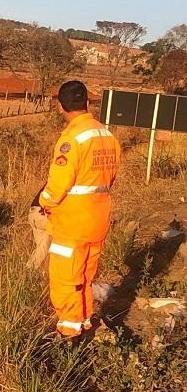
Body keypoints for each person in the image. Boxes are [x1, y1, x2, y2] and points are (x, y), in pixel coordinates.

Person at [39, 81, 121, 338]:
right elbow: (111, 178)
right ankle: (84, 321)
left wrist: (44, 202)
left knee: (66, 277)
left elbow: (58, 184)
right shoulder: (107, 135)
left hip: (73, 221)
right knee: (85, 275)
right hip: (99, 217)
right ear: (87, 103)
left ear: (60, 106)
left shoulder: (71, 140)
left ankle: (68, 331)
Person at [27, 187, 51, 270]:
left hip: (33, 214)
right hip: (42, 214)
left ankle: (29, 270)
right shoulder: (62, 182)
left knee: (43, 247)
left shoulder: (52, 181)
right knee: (65, 232)